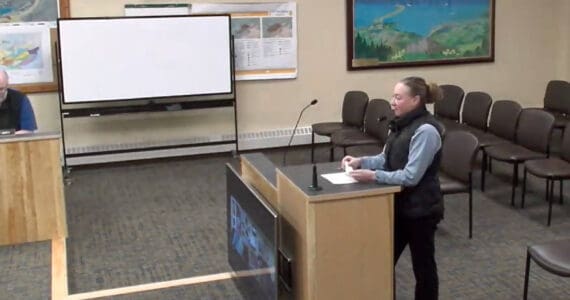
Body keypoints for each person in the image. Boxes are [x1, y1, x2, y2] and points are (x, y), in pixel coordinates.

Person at [341, 76, 444, 300]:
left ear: (416, 100)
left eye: (398, 97)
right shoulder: (400, 124)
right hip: (399, 204)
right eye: (393, 96)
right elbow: (386, 158)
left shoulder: (426, 131)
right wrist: (361, 162)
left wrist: (373, 176)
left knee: (423, 268)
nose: (392, 102)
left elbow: (410, 176)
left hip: (421, 210)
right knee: (383, 262)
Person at [0, 69, 37, 134]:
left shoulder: (20, 99)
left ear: (7, 85)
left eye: (1, 89)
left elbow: (28, 130)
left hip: (15, 142)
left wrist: (10, 136)